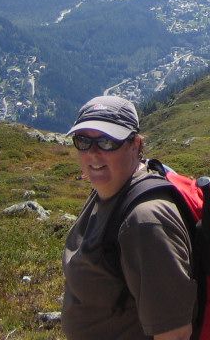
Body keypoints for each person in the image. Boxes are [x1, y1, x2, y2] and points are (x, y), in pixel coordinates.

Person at [62, 95, 196, 340]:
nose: (92, 153)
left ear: (135, 144)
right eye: (82, 141)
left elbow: (174, 334)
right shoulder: (107, 192)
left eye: (106, 141)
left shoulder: (145, 222)